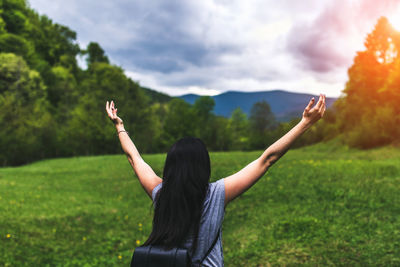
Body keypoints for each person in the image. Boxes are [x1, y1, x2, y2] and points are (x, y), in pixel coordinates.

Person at [105, 94, 326, 266]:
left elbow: (134, 159)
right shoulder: (217, 194)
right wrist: (305, 123)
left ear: (171, 166)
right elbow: (266, 159)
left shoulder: (160, 193)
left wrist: (119, 126)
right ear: (204, 167)